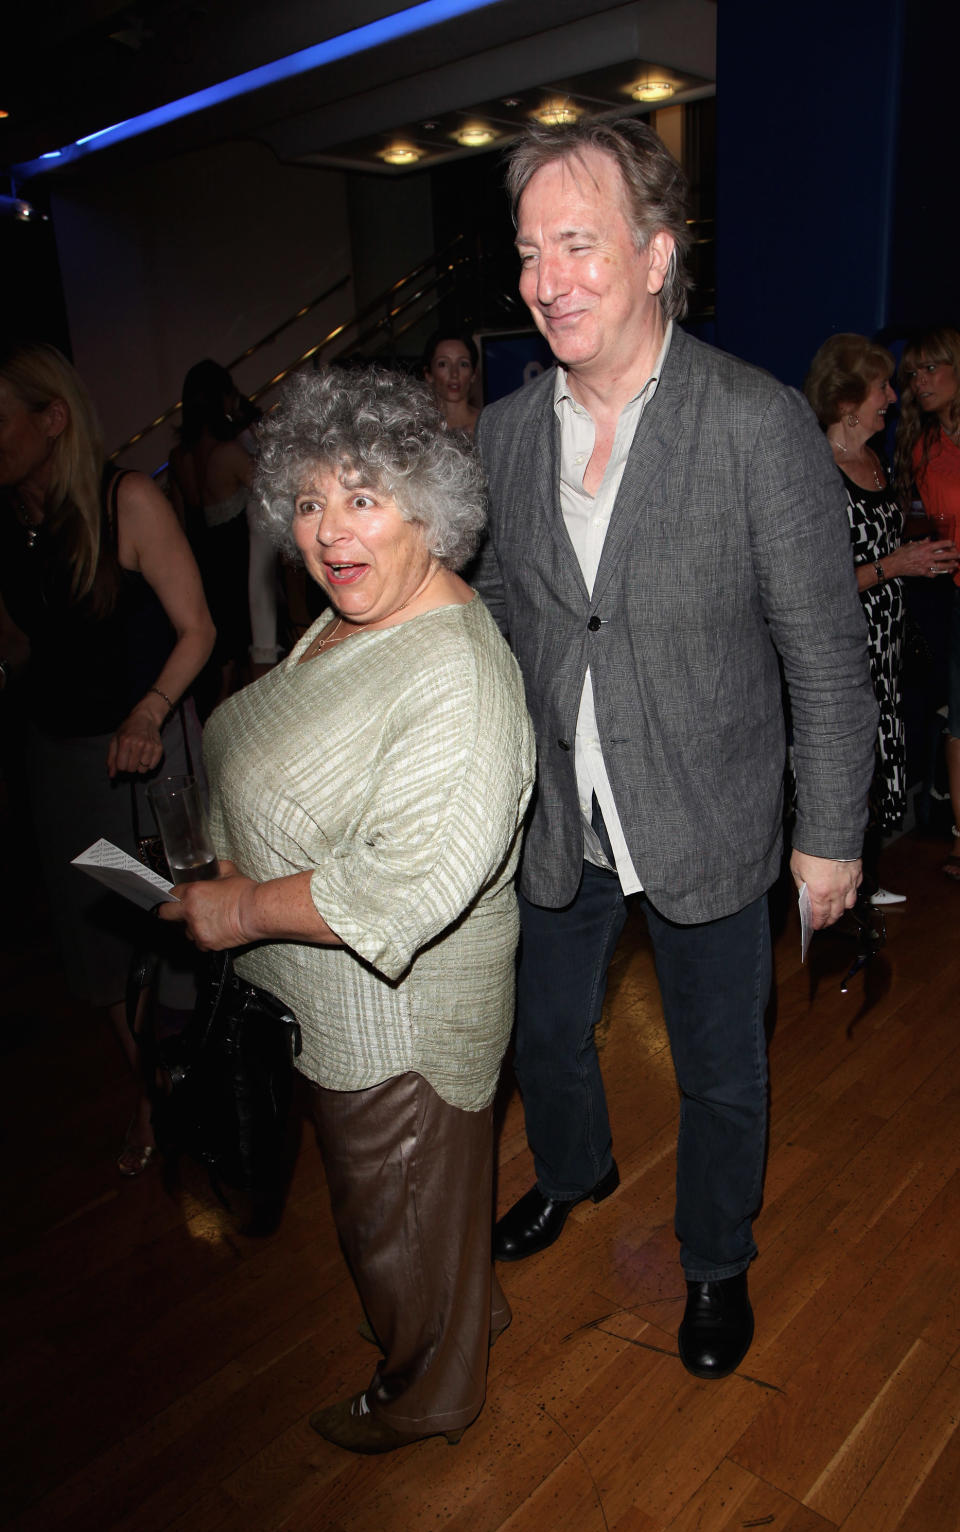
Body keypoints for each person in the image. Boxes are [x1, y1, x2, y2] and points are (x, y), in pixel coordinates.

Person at [472, 117, 878, 1381]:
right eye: (533, 251)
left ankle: (713, 1258)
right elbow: (488, 624)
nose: (549, 279)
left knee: (720, 1070)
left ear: (655, 256)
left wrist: (828, 835)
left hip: (708, 814)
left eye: (578, 245)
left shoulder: (755, 426)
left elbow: (825, 653)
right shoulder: (502, 438)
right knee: (544, 1034)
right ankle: (577, 1168)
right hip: (560, 819)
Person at [158, 365, 534, 1452]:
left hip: (398, 1030)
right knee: (421, 1211)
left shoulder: (460, 681)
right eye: (311, 500)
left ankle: (430, 1390)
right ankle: (463, 1309)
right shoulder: (357, 607)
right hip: (337, 1011)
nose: (330, 531)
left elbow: (393, 892)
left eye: (363, 497)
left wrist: (233, 911)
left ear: (432, 508)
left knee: (389, 1222)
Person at [0, 341, 215, 1173]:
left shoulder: (126, 500)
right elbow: (21, 646)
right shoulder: (9, 525)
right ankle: (153, 1099)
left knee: (168, 931)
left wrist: (148, 712)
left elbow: (200, 630)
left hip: (143, 765)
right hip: (61, 766)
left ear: (51, 419)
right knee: (97, 952)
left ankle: (200, 1087)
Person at [805, 333, 959, 902]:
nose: (894, 398)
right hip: (845, 643)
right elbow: (813, 588)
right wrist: (897, 565)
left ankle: (860, 877)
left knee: (877, 756)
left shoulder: (876, 458)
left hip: (886, 641)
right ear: (846, 401)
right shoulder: (817, 471)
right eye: (881, 387)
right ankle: (830, 883)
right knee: (843, 763)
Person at [168, 359, 279, 704]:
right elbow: (275, 491)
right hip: (236, 562)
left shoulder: (178, 458)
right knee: (250, 663)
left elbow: (180, 522)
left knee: (222, 661)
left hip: (202, 563)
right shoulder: (228, 454)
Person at [894, 325, 960, 881]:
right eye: (912, 374)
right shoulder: (921, 447)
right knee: (958, 720)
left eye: (932, 368)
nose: (921, 382)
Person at [423, 331, 480, 435]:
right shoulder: (418, 426)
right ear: (428, 374)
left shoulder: (488, 425)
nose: (454, 374)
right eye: (443, 364)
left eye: (463, 364)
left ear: (473, 374)